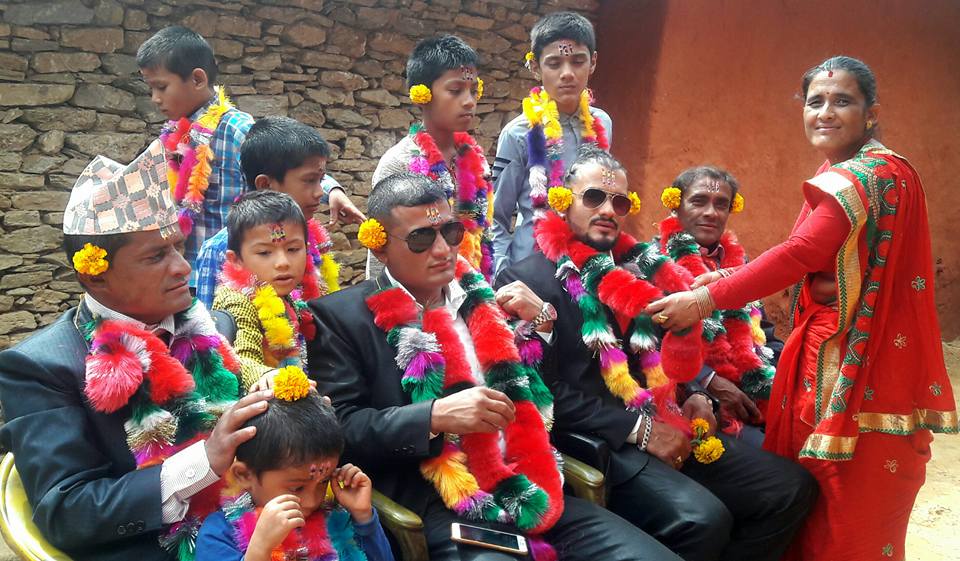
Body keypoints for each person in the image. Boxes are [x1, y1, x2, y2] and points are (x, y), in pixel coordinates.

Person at [645, 56, 958, 560]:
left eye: (842, 101)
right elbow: (805, 252)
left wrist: (703, 299)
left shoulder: (863, 176)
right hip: (844, 348)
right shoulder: (846, 173)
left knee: (841, 491)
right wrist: (726, 279)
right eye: (815, 102)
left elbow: (801, 254)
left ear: (871, 113)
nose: (825, 112)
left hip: (847, 355)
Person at [310, 173, 682, 561]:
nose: (443, 249)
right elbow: (342, 429)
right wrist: (433, 417)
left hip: (529, 484)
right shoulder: (339, 318)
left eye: (451, 232)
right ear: (381, 246)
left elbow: (539, 389)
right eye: (421, 239)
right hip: (442, 503)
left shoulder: (483, 298)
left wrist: (544, 326)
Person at [497, 147, 816, 561]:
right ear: (563, 201)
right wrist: (639, 430)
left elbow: (667, 353)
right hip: (603, 438)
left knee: (790, 488)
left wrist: (694, 393)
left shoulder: (641, 269)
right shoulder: (525, 279)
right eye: (593, 197)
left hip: (667, 413)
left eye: (619, 202)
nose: (607, 210)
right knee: (703, 520)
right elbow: (544, 392)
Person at [0, 140, 274, 561]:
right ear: (96, 276)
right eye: (156, 256)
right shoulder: (42, 367)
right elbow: (67, 512)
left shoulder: (215, 326)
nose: (183, 267)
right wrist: (203, 461)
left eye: (178, 247)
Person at [195, 367, 394, 561]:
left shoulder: (338, 516)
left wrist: (363, 517)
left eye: (324, 482)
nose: (312, 501)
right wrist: (259, 550)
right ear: (244, 475)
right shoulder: (220, 535)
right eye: (297, 488)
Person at [656, 166, 784, 447]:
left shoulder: (740, 265)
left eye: (721, 204)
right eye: (698, 201)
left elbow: (765, 335)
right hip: (694, 401)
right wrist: (709, 380)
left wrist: (781, 375)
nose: (711, 213)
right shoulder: (653, 262)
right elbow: (652, 344)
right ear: (675, 205)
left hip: (752, 391)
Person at [194, 116, 365, 309]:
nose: (319, 192)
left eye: (293, 250)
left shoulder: (307, 235)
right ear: (265, 184)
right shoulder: (220, 248)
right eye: (310, 180)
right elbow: (211, 324)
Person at [491, 11, 613, 275]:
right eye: (554, 63)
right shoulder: (517, 134)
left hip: (589, 265)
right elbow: (495, 217)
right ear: (535, 67)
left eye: (578, 61)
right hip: (532, 268)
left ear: (593, 62)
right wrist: (503, 277)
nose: (567, 74)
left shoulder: (602, 124)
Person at [137, 25, 255, 290]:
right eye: (151, 89)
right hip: (184, 274)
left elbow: (283, 166)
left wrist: (331, 191)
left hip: (228, 277)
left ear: (198, 79)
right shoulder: (173, 136)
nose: (155, 99)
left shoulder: (236, 129)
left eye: (161, 87)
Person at [367, 35, 493, 280]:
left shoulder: (476, 161)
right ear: (422, 94)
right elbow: (381, 254)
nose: (469, 102)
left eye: (473, 91)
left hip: (474, 290)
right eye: (455, 91)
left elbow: (483, 234)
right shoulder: (399, 164)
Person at [212, 191, 320, 392]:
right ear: (235, 260)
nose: (282, 263)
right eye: (264, 253)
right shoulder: (237, 299)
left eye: (293, 249)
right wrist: (266, 376)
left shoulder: (286, 295)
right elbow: (240, 358)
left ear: (306, 249)